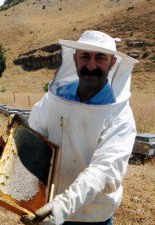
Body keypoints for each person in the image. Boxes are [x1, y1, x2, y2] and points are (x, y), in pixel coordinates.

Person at [22, 30, 138, 225]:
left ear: (112, 63)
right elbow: (35, 136)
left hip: (92, 215)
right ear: (75, 58)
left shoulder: (120, 114)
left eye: (100, 57)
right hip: (47, 207)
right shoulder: (55, 98)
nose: (91, 65)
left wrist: (63, 205)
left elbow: (104, 170)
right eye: (85, 56)